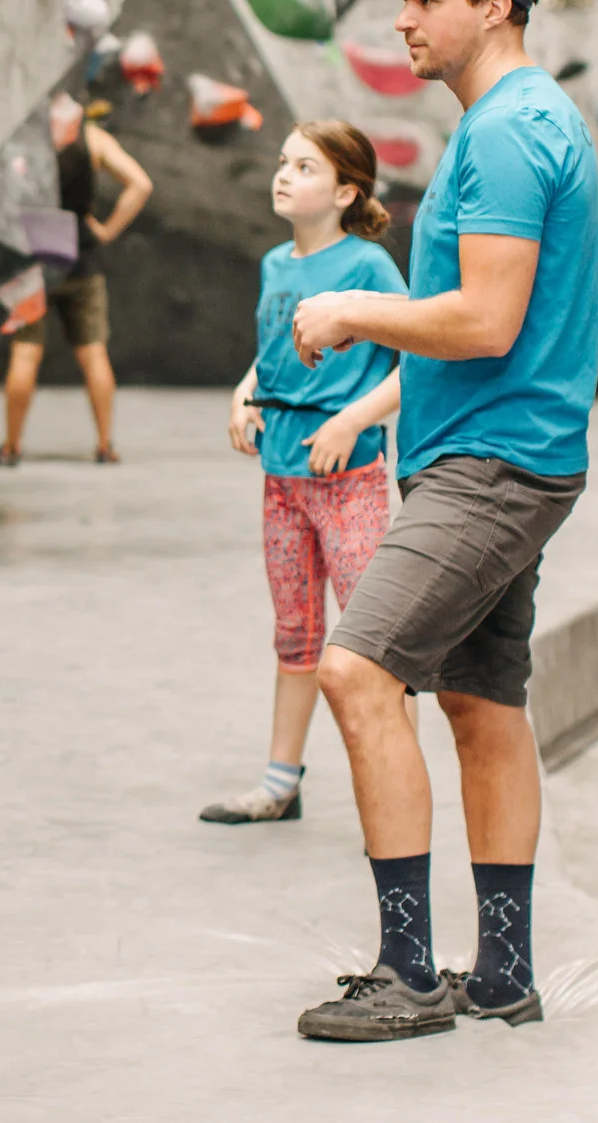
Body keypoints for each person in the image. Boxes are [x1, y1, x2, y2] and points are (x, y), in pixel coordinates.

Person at [285, 0, 598, 1042]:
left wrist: (351, 307)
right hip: (495, 454)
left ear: (494, 4)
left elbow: (485, 317)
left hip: (491, 463)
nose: (402, 17)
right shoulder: (509, 120)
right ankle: (502, 972)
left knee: (357, 670)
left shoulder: (510, 129)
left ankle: (410, 972)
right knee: (478, 697)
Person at [206, 123, 406, 825]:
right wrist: (244, 388)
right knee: (295, 631)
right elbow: (276, 352)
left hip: (348, 482)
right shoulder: (274, 263)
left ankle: (391, 795)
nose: (283, 175)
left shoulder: (371, 269)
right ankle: (279, 783)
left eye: (304, 166)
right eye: (282, 162)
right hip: (282, 478)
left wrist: (352, 420)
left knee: (370, 638)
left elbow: (422, 361)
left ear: (346, 190)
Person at [0, 93, 151, 466]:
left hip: (30, 260)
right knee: (93, 351)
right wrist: (107, 230)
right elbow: (140, 184)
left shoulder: (23, 135)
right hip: (80, 257)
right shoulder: (92, 137)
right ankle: (105, 445)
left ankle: (12, 446)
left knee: (25, 353)